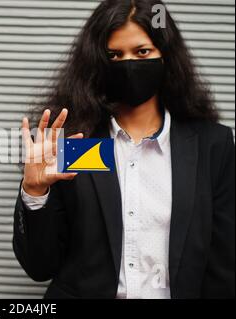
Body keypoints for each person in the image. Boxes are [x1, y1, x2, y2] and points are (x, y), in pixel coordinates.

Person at [13, 0, 235, 299]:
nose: (129, 65)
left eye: (142, 52)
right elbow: (41, 266)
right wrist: (35, 193)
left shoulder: (211, 145)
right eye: (114, 55)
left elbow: (223, 269)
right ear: (98, 62)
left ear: (165, 55)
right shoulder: (79, 143)